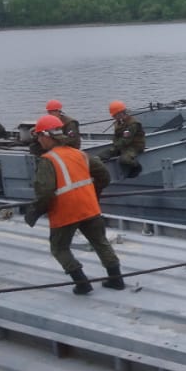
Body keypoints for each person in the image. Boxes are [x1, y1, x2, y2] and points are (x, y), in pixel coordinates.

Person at [24, 114, 125, 295]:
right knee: (100, 242)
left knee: (59, 248)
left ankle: (82, 283)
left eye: (39, 136)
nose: (38, 141)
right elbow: (104, 176)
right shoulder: (81, 154)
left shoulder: (48, 160)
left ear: (46, 136)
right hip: (89, 207)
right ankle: (116, 279)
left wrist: (34, 211)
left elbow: (45, 192)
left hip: (66, 212)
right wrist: (93, 193)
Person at [100, 100, 145, 178]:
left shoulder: (132, 124)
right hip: (122, 145)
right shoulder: (119, 123)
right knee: (103, 155)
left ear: (120, 113)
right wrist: (114, 148)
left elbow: (126, 140)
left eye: (115, 115)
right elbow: (116, 137)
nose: (114, 117)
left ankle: (136, 166)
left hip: (134, 146)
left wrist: (116, 147)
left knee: (124, 159)